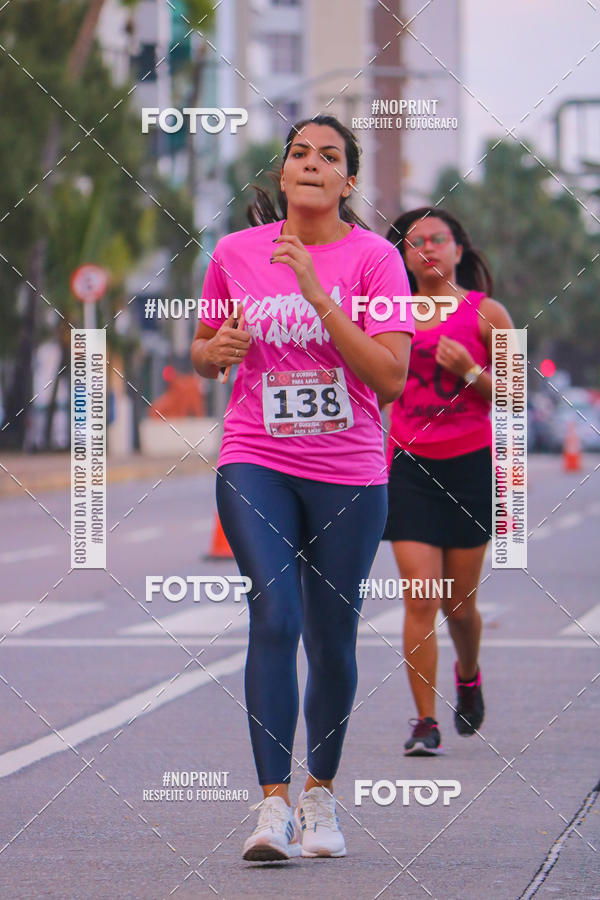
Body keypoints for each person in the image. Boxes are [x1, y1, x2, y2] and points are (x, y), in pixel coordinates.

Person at [191, 115, 414, 860]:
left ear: (349, 181)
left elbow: (390, 377)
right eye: (299, 153)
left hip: (349, 472)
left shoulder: (377, 260)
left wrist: (319, 295)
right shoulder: (235, 252)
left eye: (330, 156)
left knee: (330, 637)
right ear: (282, 175)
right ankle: (272, 807)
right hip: (256, 456)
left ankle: (320, 795)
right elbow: (204, 348)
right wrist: (216, 350)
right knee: (275, 615)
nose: (312, 163)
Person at [382, 207, 514, 756]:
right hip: (408, 465)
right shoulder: (388, 313)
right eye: (415, 242)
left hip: (469, 466)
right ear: (403, 257)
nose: (428, 249)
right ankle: (424, 721)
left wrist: (470, 372)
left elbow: (516, 394)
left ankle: (468, 673)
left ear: (458, 249)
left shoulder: (490, 314)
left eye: (438, 239)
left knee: (459, 609)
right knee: (420, 597)